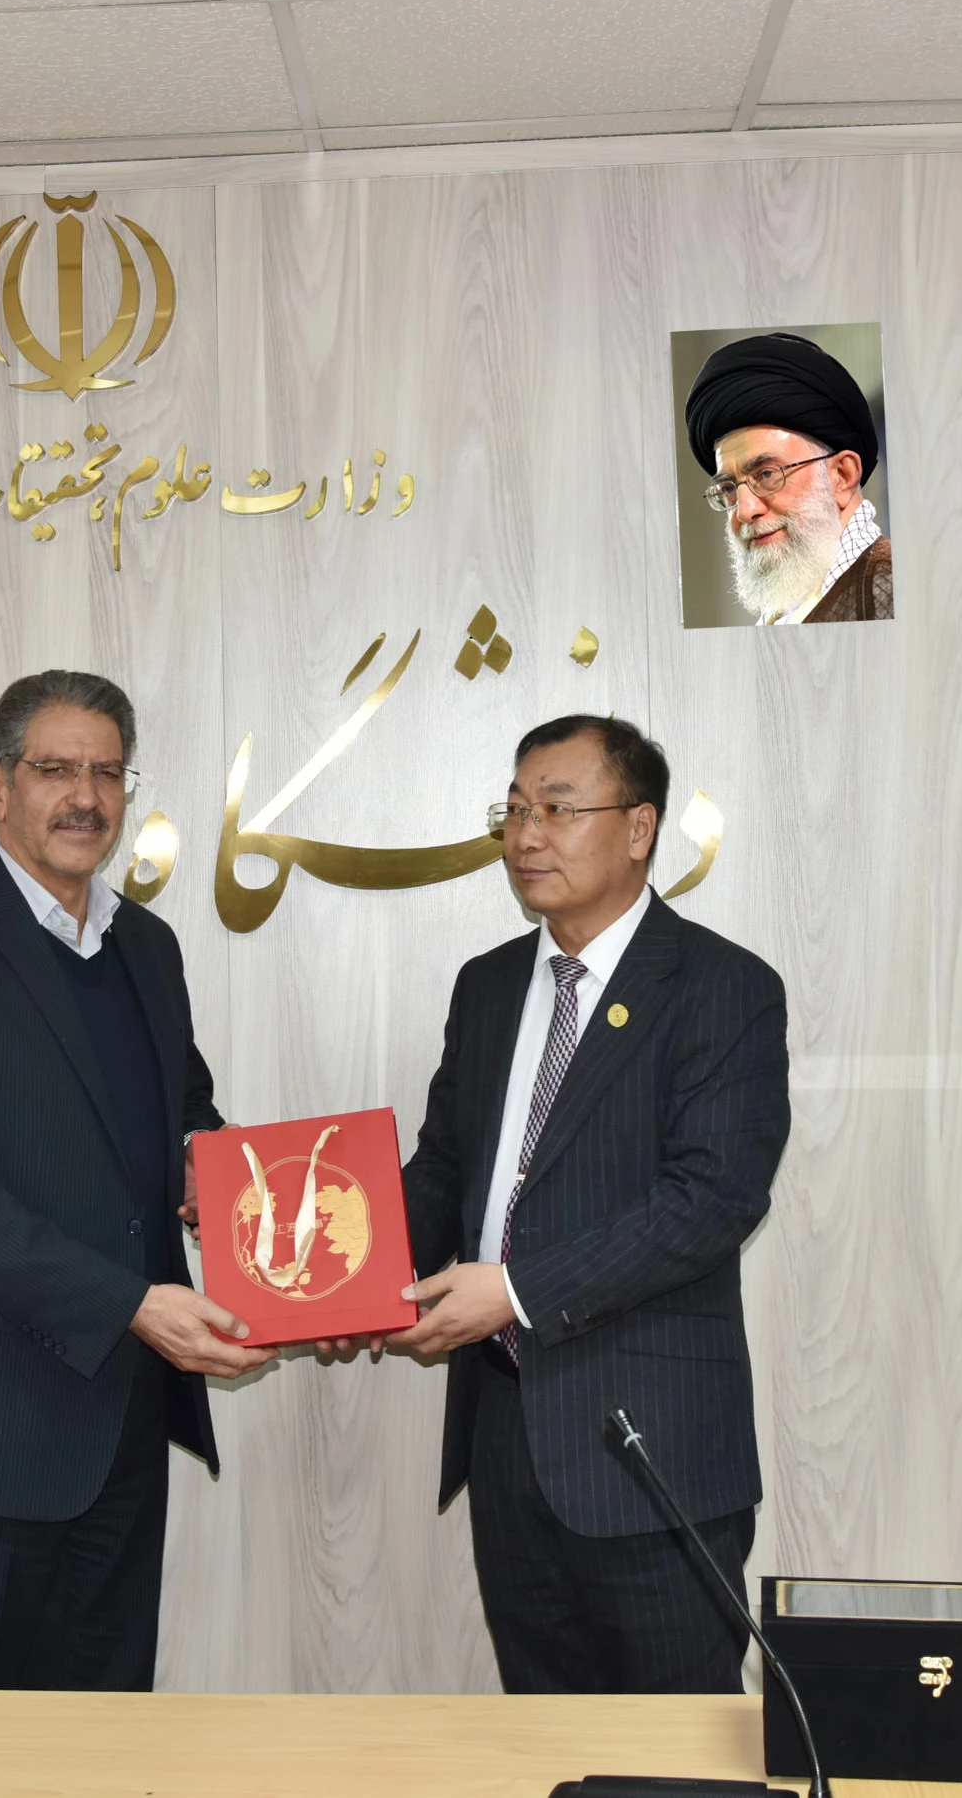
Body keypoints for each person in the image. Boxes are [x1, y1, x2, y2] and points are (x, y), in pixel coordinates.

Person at [330, 714, 789, 1692]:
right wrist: (344, 1278)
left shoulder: (722, 987)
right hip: (510, 1445)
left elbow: (712, 1199)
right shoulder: (489, 986)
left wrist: (515, 1291)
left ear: (639, 828)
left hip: (652, 1451)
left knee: (676, 1748)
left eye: (558, 808)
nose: (527, 835)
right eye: (515, 810)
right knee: (543, 1738)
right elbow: (445, 1169)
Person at [0, 670, 270, 1690]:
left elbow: (182, 1111)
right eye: (56, 770)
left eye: (108, 773)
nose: (86, 796)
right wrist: (134, 1304)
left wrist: (235, 1192)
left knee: (105, 1740)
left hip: (119, 1423)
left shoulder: (146, 947)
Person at [685, 333, 891, 625]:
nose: (745, 511)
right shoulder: (792, 609)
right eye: (729, 488)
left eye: (767, 474)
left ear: (842, 476)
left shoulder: (889, 595)